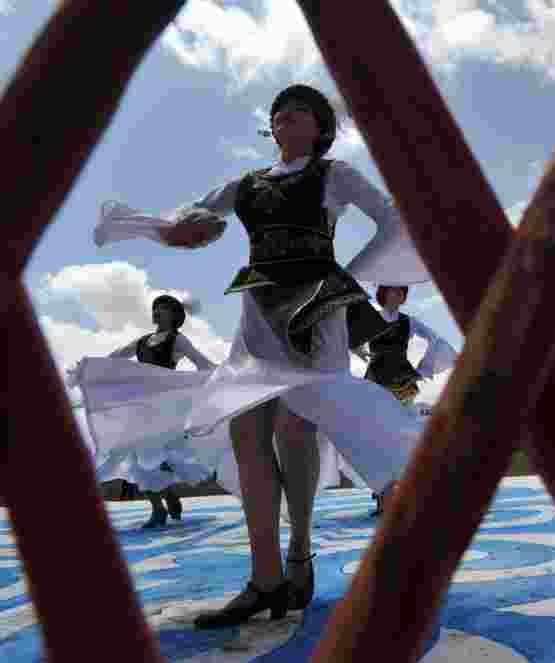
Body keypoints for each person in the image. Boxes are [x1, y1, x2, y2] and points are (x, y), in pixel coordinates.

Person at [83, 83, 432, 628]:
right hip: (257, 312)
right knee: (248, 434)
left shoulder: (336, 174)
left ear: (319, 128)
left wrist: (351, 276)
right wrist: (185, 229)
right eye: (278, 114)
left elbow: (397, 220)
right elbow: (196, 211)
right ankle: (263, 578)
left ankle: (298, 552)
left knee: (297, 429)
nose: (285, 119)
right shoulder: (246, 184)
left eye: (298, 113)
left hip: (316, 312)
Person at [68, 295, 217, 527]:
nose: (157, 312)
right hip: (139, 407)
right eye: (155, 308)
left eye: (163, 309)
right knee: (138, 457)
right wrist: (88, 368)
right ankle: (158, 508)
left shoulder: (177, 340)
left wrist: (222, 378)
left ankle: (168, 496)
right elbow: (115, 358)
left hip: (164, 409)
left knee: (156, 457)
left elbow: (202, 363)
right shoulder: (143, 340)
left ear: (174, 315)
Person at [353, 283, 456, 515]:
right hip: (376, 381)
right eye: (393, 290)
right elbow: (350, 338)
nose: (398, 294)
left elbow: (437, 342)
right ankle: (383, 495)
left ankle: (406, 493)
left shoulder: (409, 321)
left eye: (402, 291)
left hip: (403, 382)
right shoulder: (371, 317)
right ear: (383, 293)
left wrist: (424, 368)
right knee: (377, 437)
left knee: (403, 435)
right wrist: (358, 350)